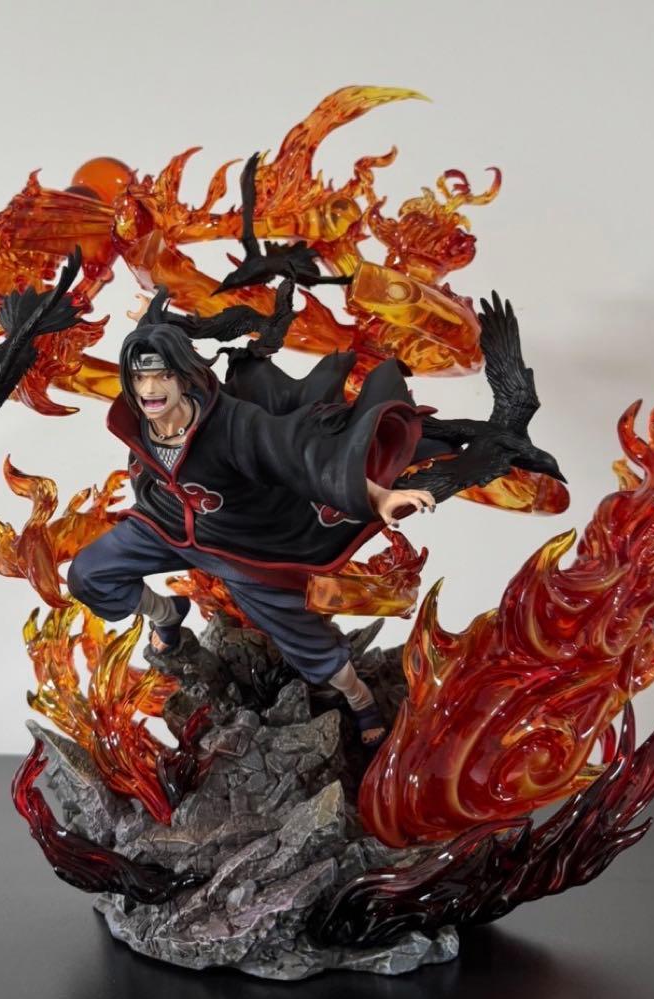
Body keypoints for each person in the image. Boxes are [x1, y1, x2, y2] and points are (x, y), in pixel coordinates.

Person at [66, 288, 443, 749]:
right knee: (89, 574)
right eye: (140, 377)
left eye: (163, 376)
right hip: (165, 523)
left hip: (242, 547)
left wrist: (377, 495)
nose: (149, 390)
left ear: (184, 376)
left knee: (308, 645)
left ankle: (360, 699)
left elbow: (304, 457)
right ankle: (167, 614)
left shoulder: (235, 425)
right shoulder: (137, 420)